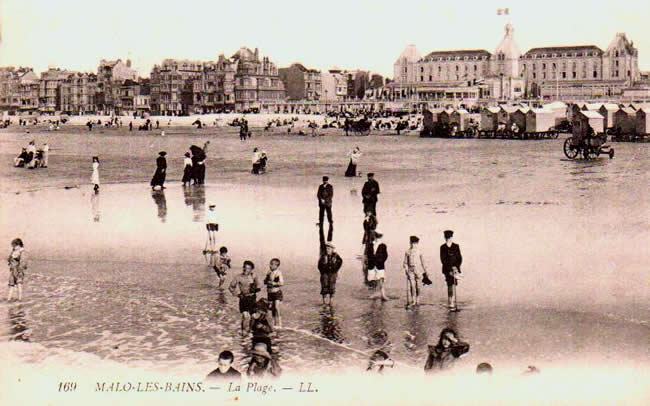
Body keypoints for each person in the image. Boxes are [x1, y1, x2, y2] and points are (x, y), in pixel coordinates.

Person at [228, 260, 260, 335]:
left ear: (251, 269)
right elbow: (231, 287)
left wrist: (256, 288)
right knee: (245, 316)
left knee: (253, 316)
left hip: (252, 298)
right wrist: (237, 294)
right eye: (244, 268)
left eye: (248, 268)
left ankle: (250, 330)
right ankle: (243, 332)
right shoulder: (238, 277)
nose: (246, 270)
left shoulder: (254, 276)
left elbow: (259, 285)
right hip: (243, 299)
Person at [403, 236, 429, 307]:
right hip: (410, 270)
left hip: (418, 270)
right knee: (412, 285)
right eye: (411, 243)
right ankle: (413, 300)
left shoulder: (420, 251)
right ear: (410, 243)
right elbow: (405, 263)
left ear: (417, 243)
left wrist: (426, 271)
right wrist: (406, 270)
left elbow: (423, 262)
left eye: (414, 243)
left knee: (418, 286)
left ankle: (418, 299)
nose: (413, 245)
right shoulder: (407, 251)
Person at [440, 230, 462, 310]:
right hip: (447, 269)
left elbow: (459, 258)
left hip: (455, 269)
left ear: (452, 237)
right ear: (444, 238)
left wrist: (456, 267)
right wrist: (450, 268)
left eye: (449, 237)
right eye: (446, 238)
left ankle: (452, 301)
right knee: (450, 284)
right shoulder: (442, 247)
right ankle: (450, 302)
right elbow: (443, 259)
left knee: (454, 284)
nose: (448, 239)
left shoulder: (456, 246)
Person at [264, 258, 284, 328]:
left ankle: (280, 323)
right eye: (270, 264)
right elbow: (265, 281)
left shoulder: (278, 273)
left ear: (276, 266)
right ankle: (274, 323)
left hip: (276, 293)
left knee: (276, 307)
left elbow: (281, 283)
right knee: (272, 308)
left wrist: (273, 283)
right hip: (270, 293)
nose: (270, 265)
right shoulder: (269, 272)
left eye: (272, 264)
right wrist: (266, 281)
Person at [372, 236, 389, 301]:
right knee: (380, 280)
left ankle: (378, 294)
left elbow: (385, 255)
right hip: (379, 265)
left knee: (377, 279)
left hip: (376, 264)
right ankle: (383, 295)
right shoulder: (382, 245)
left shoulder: (373, 244)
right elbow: (385, 255)